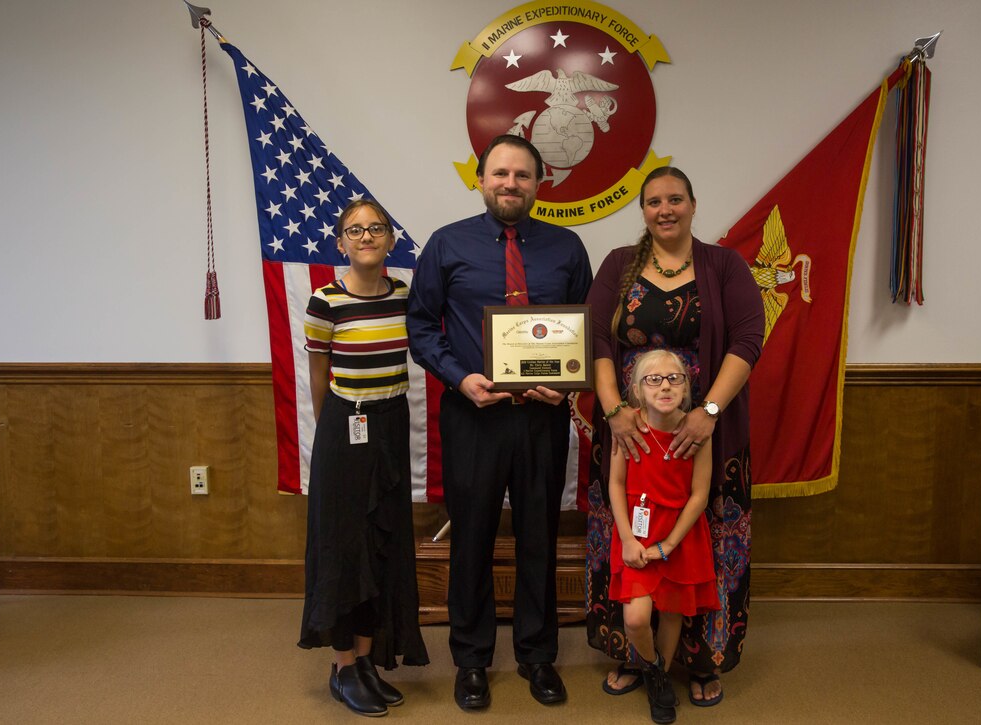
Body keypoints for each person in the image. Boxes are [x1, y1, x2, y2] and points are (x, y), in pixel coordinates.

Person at [407, 134, 593, 710]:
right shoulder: (446, 244)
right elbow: (421, 327)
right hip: (472, 417)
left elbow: (586, 332)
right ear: (481, 179)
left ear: (541, 184)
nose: (509, 184)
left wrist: (562, 383)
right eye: (499, 174)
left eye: (522, 175)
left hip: (541, 418)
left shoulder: (566, 246)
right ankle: (471, 659)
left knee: (538, 535)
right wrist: (461, 378)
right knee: (473, 539)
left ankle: (538, 657)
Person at [585, 167, 763, 707]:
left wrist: (707, 411)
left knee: (703, 542)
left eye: (675, 199)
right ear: (642, 210)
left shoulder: (724, 264)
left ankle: (702, 661)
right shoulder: (619, 265)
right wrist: (615, 410)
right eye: (654, 201)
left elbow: (748, 339)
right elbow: (595, 342)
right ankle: (636, 655)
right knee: (631, 536)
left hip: (703, 433)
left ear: (692, 204)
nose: (665, 209)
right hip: (630, 435)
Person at [298, 199, 429, 717]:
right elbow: (317, 375)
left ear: (391, 241)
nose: (367, 236)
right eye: (355, 229)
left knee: (383, 540)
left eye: (377, 228)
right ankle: (343, 666)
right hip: (344, 429)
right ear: (340, 242)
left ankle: (370, 660)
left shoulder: (404, 295)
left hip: (391, 422)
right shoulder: (324, 301)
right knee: (345, 545)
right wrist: (332, 431)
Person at [608, 349, 718, 724]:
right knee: (637, 618)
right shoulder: (628, 427)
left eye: (675, 378)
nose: (665, 385)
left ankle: (660, 678)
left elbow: (700, 495)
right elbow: (616, 483)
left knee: (671, 613)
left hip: (679, 536)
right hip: (637, 534)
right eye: (653, 379)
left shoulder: (696, 431)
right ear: (637, 391)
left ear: (687, 388)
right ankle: (651, 665)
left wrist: (669, 545)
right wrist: (627, 538)